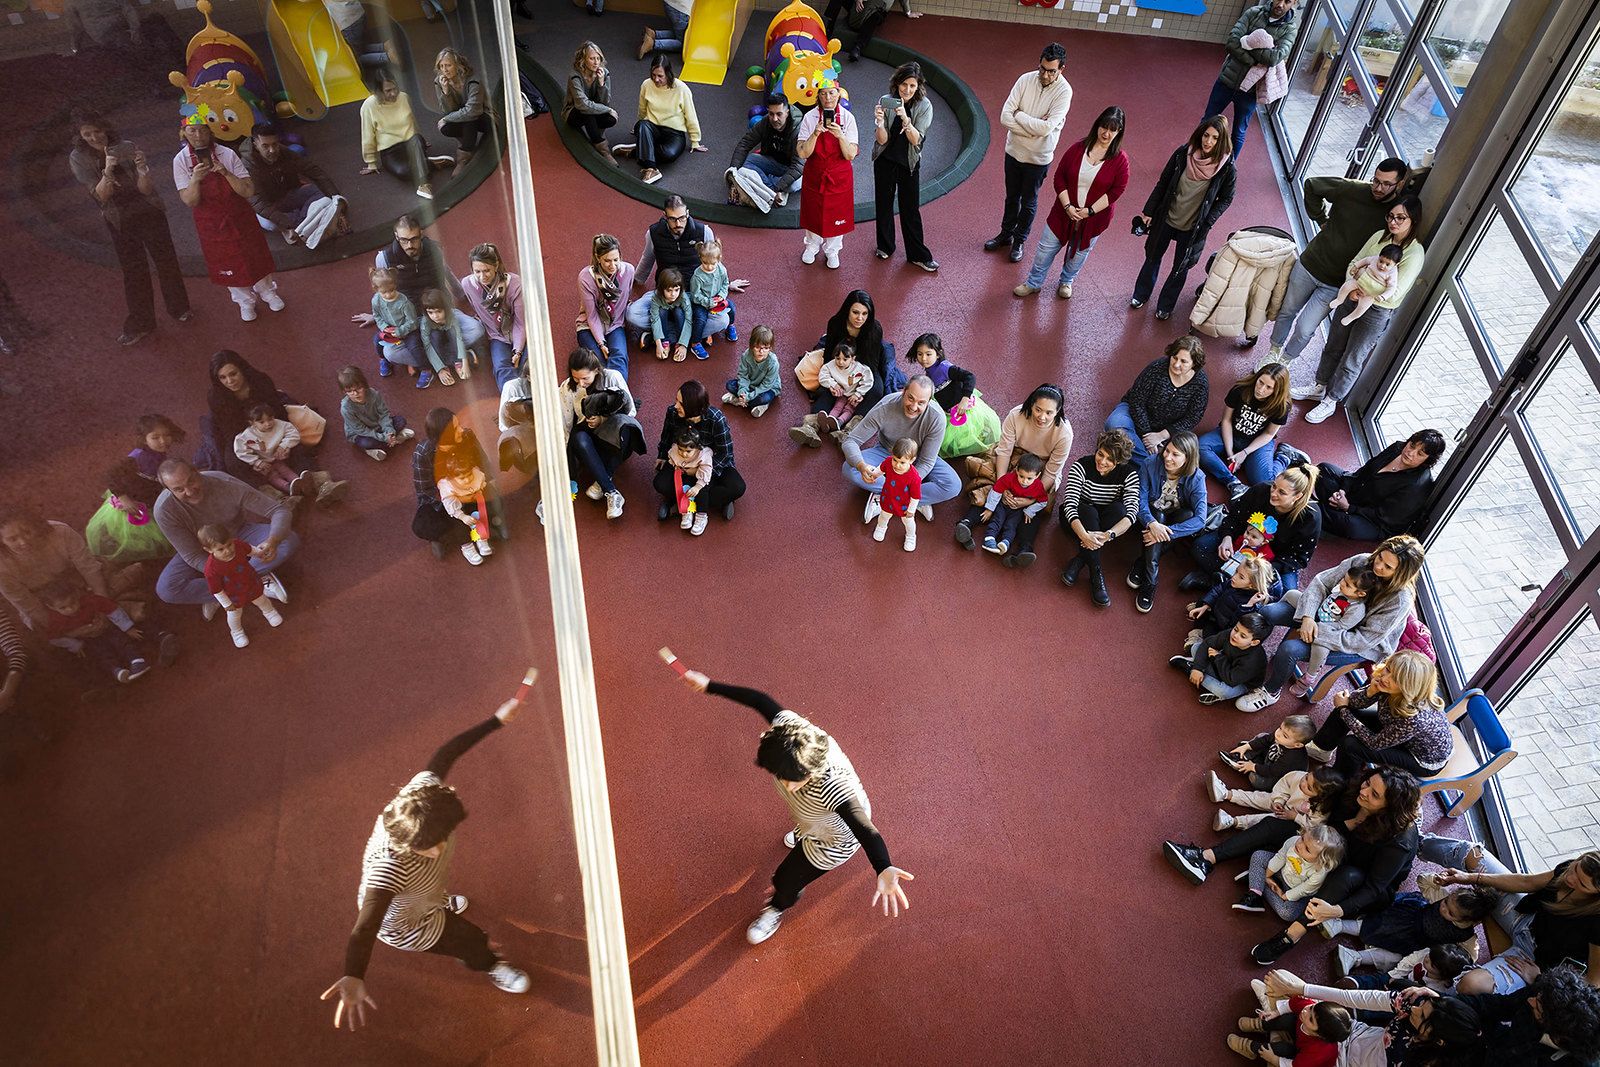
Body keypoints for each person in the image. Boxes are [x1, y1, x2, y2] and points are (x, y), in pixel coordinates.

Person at [320, 697, 533, 1032]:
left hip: (422, 892)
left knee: (434, 888)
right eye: (429, 847)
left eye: (444, 838)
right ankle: (492, 966)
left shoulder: (421, 800)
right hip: (409, 924)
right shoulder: (387, 871)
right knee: (472, 939)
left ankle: (439, 902)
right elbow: (365, 928)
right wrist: (353, 973)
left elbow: (446, 753)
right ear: (407, 844)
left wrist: (497, 720)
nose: (440, 848)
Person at [674, 667, 914, 945]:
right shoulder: (790, 734)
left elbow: (864, 828)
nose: (787, 786)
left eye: (795, 781)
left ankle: (775, 909)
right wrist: (708, 685)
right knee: (803, 820)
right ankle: (803, 831)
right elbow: (761, 700)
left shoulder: (834, 787)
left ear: (811, 770)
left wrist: (883, 866)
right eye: (781, 777)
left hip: (833, 840)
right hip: (812, 819)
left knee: (785, 878)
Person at [1236, 534, 1426, 712]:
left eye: (1388, 567)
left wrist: (1316, 630)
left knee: (1289, 649)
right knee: (1269, 611)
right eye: (1381, 558)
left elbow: (1363, 639)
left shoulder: (1399, 601)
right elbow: (1321, 583)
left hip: (1353, 641)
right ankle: (1245, 654)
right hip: (1325, 612)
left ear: (1401, 574)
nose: (1378, 566)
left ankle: (1271, 692)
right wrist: (1308, 617)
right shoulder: (1362, 561)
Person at [1265, 158, 1410, 368]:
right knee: (1287, 310)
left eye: (1386, 184)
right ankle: (1273, 352)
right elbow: (1312, 185)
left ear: (1400, 183)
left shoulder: (1393, 216)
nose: (1378, 188)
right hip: (1310, 265)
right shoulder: (1351, 189)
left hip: (1337, 282)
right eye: (1375, 181)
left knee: (1305, 328)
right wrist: (1321, 219)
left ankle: (1284, 362)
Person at [1298, 196, 1428, 425]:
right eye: (1391, 216)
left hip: (1376, 311)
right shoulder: (1379, 237)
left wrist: (1363, 288)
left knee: (1353, 357)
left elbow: (1395, 292)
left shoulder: (1415, 253)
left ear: (1413, 220)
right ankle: (1319, 385)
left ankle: (1332, 399)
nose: (1393, 222)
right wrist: (1353, 287)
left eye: (1400, 218)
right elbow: (1355, 263)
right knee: (1334, 344)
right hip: (1351, 296)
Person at [69, 109, 190, 346]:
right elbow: (102, 196)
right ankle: (142, 322)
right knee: (134, 270)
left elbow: (146, 189)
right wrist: (108, 170)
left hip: (148, 210)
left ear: (106, 129)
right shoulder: (78, 158)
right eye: (87, 134)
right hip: (119, 218)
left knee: (166, 260)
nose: (94, 138)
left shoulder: (126, 146)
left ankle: (179, 307)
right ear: (80, 136)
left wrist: (143, 170)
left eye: (97, 131)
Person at [1431, 845, 1600, 995]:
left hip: (1531, 957)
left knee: (1469, 984)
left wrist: (1540, 979)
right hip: (1524, 918)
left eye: (1582, 884)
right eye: (1575, 869)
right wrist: (1470, 877)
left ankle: (1431, 1003)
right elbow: (1528, 882)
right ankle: (1412, 833)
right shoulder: (1569, 868)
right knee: (1469, 853)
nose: (1570, 878)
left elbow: (1592, 985)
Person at [174, 116, 281, 322]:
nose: (198, 136)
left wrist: (225, 173)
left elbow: (248, 191)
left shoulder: (227, 153)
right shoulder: (180, 161)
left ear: (210, 131)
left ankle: (268, 292)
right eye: (192, 130)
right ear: (184, 133)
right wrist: (195, 179)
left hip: (239, 216)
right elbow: (190, 201)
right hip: (211, 223)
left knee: (255, 255)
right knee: (228, 262)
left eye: (202, 130)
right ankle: (245, 301)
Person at [1016, 106, 1128, 300]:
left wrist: (1089, 212)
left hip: (1093, 219)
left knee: (1078, 253)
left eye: (1113, 129)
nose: (1106, 133)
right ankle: (1034, 283)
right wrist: (1068, 207)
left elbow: (1116, 191)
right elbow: (1059, 178)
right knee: (1045, 248)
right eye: (1104, 126)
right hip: (1063, 212)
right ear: (1097, 125)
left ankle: (1067, 281)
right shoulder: (1078, 149)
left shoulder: (1120, 160)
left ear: (1119, 132)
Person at [955, 384, 1073, 568]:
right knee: (990, 481)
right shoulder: (1015, 415)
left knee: (1035, 508)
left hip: (1040, 470)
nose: (1042, 417)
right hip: (1013, 458)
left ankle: (1025, 549)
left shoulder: (1064, 434)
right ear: (1031, 405)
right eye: (1038, 409)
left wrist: (1029, 499)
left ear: (1058, 412)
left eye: (1049, 413)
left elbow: (1051, 471)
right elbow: (1004, 451)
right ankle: (966, 523)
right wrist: (1003, 483)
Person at [152, 462, 295, 612]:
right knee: (167, 589)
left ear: (197, 471)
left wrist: (273, 540)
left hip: (238, 534)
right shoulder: (164, 510)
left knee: (287, 540)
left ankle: (223, 592)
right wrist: (221, 572)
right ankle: (250, 582)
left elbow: (278, 511)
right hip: (203, 549)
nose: (189, 491)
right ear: (168, 490)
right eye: (179, 489)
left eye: (191, 481)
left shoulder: (224, 482)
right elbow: (193, 555)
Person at [1131, 116, 1236, 321]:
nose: (1209, 142)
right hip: (1167, 218)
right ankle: (1140, 294)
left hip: (1193, 227)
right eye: (1206, 135)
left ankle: (1165, 306)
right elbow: (1163, 183)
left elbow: (1227, 198)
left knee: (1180, 267)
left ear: (1222, 140)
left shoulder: (1226, 167)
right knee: (1152, 256)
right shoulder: (1182, 154)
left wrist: (1207, 221)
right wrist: (1149, 211)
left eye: (1215, 138)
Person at [985, 43, 1072, 264]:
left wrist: (1020, 116)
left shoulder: (1064, 92)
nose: (1044, 74)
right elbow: (1005, 116)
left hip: (1038, 160)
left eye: (1051, 71)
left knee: (1029, 200)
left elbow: (1045, 129)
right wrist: (1032, 129)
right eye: (1042, 68)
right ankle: (1006, 234)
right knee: (1012, 197)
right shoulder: (1025, 80)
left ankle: (1019, 240)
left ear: (1061, 69)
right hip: (1013, 152)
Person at [1181, 463, 1321, 600]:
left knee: (1284, 593)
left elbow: (1299, 558)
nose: (1273, 493)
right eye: (1274, 486)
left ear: (1298, 497)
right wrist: (1227, 537)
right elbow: (1234, 517)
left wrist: (1261, 569)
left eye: (1282, 492)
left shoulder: (1310, 518)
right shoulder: (1261, 490)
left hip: (1274, 561)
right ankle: (1232, 586)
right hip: (1241, 544)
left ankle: (1218, 582)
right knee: (1200, 547)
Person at [1306, 651, 1451, 777]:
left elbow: (1374, 743)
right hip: (1396, 729)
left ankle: (1338, 781)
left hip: (1420, 758)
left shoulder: (1414, 718)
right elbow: (1354, 703)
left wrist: (1342, 710)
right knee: (1347, 709)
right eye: (1388, 669)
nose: (1385, 678)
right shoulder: (1387, 684)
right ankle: (1321, 749)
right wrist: (1371, 691)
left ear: (1409, 687)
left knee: (1350, 744)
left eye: (1396, 678)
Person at [841, 377, 959, 523]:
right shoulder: (885, 406)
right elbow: (851, 441)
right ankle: (915, 500)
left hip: (918, 458)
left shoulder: (936, 417)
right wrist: (861, 465)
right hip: (888, 453)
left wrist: (908, 482)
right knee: (850, 468)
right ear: (903, 391)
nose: (914, 406)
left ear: (929, 402)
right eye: (911, 398)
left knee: (952, 485)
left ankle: (888, 498)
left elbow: (927, 461)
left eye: (921, 403)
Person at [790, 291, 893, 441]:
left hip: (863, 367)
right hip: (839, 364)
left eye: (865, 314)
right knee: (826, 388)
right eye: (855, 312)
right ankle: (811, 426)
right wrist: (833, 383)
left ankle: (848, 431)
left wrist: (858, 391)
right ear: (847, 311)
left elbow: (872, 364)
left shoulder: (874, 329)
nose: (860, 318)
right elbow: (829, 355)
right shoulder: (836, 323)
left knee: (877, 390)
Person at [1204, 0, 1299, 159]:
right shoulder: (1254, 12)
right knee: (1207, 120)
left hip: (1250, 91)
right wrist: (1254, 61)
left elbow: (1274, 58)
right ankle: (1194, 155)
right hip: (1227, 80)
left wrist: (1247, 44)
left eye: (1287, 1)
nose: (1280, 4)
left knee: (1239, 131)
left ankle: (1229, 168)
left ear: (1294, 3)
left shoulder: (1289, 30)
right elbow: (1233, 41)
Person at [1057, 429, 1140, 607]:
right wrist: (1084, 536)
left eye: (1110, 460)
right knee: (1088, 512)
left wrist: (1108, 535)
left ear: (1118, 462)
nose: (1102, 461)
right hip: (1078, 519)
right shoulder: (1081, 466)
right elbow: (1070, 505)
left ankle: (1080, 559)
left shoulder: (1129, 474)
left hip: (1105, 524)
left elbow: (1132, 513)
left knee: (1120, 510)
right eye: (1100, 454)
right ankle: (1096, 573)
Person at [0, 512, 117, 636]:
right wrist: (69, 631)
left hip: (78, 585)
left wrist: (104, 606)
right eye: (12, 539)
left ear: (35, 526)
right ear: (2, 542)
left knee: (108, 580)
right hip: (45, 604)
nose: (23, 542)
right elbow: (28, 605)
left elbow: (89, 569)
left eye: (27, 532)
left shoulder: (61, 532)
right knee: (40, 630)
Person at [1316, 429, 1446, 541]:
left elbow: (1385, 517)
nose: (1410, 453)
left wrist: (1349, 508)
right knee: (1324, 469)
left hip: (1375, 520)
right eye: (1412, 445)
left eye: (1420, 454)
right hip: (1358, 493)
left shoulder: (1417, 485)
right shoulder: (1397, 448)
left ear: (1427, 460)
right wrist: (1343, 490)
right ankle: (1328, 510)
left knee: (1348, 526)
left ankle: (1318, 510)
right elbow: (1364, 470)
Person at [625, 196, 725, 338]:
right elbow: (647, 258)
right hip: (664, 292)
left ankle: (659, 335)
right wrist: (635, 280)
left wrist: (726, 282)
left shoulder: (703, 231)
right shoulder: (653, 233)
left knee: (722, 320)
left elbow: (714, 260)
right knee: (632, 315)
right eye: (672, 219)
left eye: (682, 218)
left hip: (695, 293)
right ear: (664, 216)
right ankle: (690, 333)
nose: (678, 223)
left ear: (688, 214)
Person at [559, 350, 641, 521]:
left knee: (627, 428)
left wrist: (603, 419)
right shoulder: (567, 387)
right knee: (577, 438)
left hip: (615, 435)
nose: (580, 384)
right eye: (576, 378)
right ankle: (611, 491)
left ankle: (602, 478)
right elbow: (566, 424)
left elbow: (631, 410)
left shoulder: (613, 377)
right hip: (591, 440)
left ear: (596, 370)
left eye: (585, 378)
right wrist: (566, 462)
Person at [1130, 431, 1206, 613]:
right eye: (1167, 450)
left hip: (1175, 520)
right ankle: (1151, 581)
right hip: (1153, 515)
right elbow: (1139, 499)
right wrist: (1152, 524)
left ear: (1188, 459)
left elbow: (1200, 519)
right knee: (1158, 516)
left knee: (1188, 515)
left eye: (1175, 454)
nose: (1167, 457)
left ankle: (1143, 562)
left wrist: (1164, 532)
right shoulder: (1150, 463)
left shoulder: (1197, 478)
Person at [872, 61, 937, 272]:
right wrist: (880, 123)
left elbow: (917, 140)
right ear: (897, 83)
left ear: (918, 86)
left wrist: (905, 120)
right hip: (885, 160)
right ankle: (885, 246)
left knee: (910, 208)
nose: (907, 89)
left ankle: (918, 255)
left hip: (908, 163)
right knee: (884, 204)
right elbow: (881, 141)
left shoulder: (924, 106)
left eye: (912, 85)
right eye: (904, 84)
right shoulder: (886, 101)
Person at [1104, 335, 1210, 462]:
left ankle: (1135, 452)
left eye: (1183, 361)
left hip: (1167, 431)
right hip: (1135, 415)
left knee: (1183, 451)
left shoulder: (1201, 383)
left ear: (1194, 364)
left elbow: (1193, 417)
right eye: (1174, 358)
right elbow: (1137, 401)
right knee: (1114, 424)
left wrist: (1161, 435)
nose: (1176, 364)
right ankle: (1150, 462)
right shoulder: (1157, 368)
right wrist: (1147, 435)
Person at [653, 380, 746, 523]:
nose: (676, 406)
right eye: (676, 400)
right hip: (682, 461)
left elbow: (725, 453)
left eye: (681, 403)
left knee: (737, 487)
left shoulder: (716, 419)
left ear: (693, 407)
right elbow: (666, 436)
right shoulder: (672, 413)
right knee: (660, 483)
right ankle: (713, 502)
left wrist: (699, 471)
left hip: (710, 466)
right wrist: (661, 455)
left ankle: (679, 502)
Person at [36, 578, 162, 683]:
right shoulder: (55, 620)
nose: (70, 609)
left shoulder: (90, 600)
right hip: (90, 640)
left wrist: (127, 627)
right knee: (100, 654)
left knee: (122, 642)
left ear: (76, 595)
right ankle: (117, 671)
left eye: (73, 603)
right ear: (51, 607)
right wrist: (74, 644)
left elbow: (112, 609)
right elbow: (53, 638)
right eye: (63, 608)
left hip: (107, 629)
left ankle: (138, 661)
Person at [1196, 363, 1293, 499]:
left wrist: (1245, 452)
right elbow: (1226, 421)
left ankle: (1283, 457)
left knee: (1266, 483)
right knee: (1200, 447)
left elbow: (1269, 434)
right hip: (1232, 433)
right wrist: (1231, 454)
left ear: (1277, 391)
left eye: (1269, 387)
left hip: (1258, 443)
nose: (1261, 389)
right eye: (1260, 382)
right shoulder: (1240, 389)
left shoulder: (1281, 406)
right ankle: (1233, 482)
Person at [246, 123, 347, 249]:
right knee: (269, 224)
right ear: (255, 143)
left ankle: (303, 227)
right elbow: (258, 203)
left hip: (288, 196)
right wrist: (286, 224)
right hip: (268, 206)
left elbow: (313, 170)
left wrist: (336, 198)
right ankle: (316, 222)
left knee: (321, 194)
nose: (272, 150)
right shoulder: (248, 165)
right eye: (265, 146)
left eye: (275, 144)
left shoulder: (282, 151)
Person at [796, 75, 859, 269]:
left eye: (831, 92)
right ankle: (812, 246)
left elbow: (850, 155)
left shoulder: (848, 118)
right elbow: (802, 152)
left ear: (838, 94)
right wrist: (815, 133)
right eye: (823, 94)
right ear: (818, 96)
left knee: (836, 214)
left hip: (839, 176)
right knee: (813, 212)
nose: (828, 97)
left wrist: (840, 135)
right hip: (815, 173)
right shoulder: (810, 117)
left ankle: (833, 250)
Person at [1288, 565, 1378, 694]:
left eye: (1347, 585)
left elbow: (1341, 626)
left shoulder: (1357, 609)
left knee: (1320, 648)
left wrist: (1318, 627)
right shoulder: (1341, 589)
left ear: (1361, 593)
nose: (1342, 583)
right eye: (1343, 579)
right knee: (1291, 594)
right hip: (1316, 615)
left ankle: (1308, 678)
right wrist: (1310, 616)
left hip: (1327, 630)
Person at [359, 71, 449, 200]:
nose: (393, 93)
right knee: (402, 172)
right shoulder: (368, 106)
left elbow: (411, 120)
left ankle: (424, 184)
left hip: (411, 140)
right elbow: (367, 135)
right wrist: (371, 163)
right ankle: (430, 163)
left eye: (395, 88)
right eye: (388, 90)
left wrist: (422, 139)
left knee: (416, 141)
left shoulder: (404, 97)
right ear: (378, 91)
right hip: (390, 149)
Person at [616, 55, 704, 186]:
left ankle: (638, 151)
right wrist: (638, 130)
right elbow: (642, 108)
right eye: (653, 75)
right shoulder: (646, 84)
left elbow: (690, 114)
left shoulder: (681, 89)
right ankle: (651, 169)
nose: (656, 79)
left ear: (668, 74)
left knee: (669, 155)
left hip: (674, 133)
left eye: (660, 76)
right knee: (643, 125)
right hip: (652, 127)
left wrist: (695, 141)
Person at [198, 523, 285, 647]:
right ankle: (237, 632)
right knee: (235, 615)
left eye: (229, 544)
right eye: (221, 549)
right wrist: (226, 604)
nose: (227, 551)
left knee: (262, 599)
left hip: (251, 582)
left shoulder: (238, 545)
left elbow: (250, 549)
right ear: (208, 550)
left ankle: (269, 612)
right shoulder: (211, 569)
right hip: (233, 595)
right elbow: (216, 590)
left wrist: (260, 553)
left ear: (232, 539)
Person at [1238, 823, 1345, 921]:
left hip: (1294, 888)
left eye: (1307, 849)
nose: (1299, 845)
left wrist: (1283, 895)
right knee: (1258, 855)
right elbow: (1280, 857)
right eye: (1302, 838)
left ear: (1321, 860)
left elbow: (1304, 889)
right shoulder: (1293, 841)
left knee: (1288, 914)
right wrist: (1267, 876)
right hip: (1281, 871)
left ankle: (1257, 880)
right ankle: (1255, 893)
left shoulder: (1319, 871)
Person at [461, 243, 527, 391]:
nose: (482, 276)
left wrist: (517, 351)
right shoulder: (467, 284)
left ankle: (532, 399)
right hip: (497, 336)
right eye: (477, 271)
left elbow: (520, 323)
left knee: (527, 366)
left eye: (486, 271)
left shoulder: (514, 284)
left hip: (520, 331)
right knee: (501, 368)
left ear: (496, 266)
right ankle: (513, 404)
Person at [1228, 988, 1351, 1064]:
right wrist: (1275, 1012)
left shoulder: (1318, 1053)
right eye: (1311, 1008)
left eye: (1311, 1019)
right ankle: (1259, 1025)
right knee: (1287, 1018)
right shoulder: (1310, 1009)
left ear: (1320, 1034)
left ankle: (1250, 1048)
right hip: (1300, 1037)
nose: (1305, 1011)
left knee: (1282, 1049)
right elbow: (1293, 1003)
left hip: (1301, 1057)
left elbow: (1295, 1065)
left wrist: (1273, 1059)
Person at [726, 93, 803, 212]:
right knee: (747, 161)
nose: (774, 118)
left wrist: (780, 186)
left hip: (792, 168)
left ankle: (761, 187)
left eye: (779, 114)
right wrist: (733, 173)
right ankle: (772, 191)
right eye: (771, 114)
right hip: (773, 162)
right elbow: (745, 144)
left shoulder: (799, 130)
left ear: (787, 112)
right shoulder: (766, 122)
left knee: (795, 184)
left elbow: (798, 166)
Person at [1174, 612, 1270, 705]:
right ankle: (1197, 668)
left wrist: (1217, 657)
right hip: (1224, 663)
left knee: (1222, 691)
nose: (1235, 635)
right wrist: (1198, 668)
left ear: (1254, 642)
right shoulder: (1230, 634)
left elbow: (1231, 680)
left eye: (1243, 636)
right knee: (1196, 647)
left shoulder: (1253, 661)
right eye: (1236, 629)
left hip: (1239, 682)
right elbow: (1207, 643)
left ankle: (1190, 668)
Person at [577, 234, 635, 379]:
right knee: (597, 362)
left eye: (616, 260)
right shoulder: (586, 277)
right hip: (589, 326)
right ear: (597, 258)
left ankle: (619, 395)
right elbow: (592, 316)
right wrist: (601, 344)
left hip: (615, 324)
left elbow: (626, 296)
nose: (613, 266)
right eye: (607, 261)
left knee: (619, 357)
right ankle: (603, 399)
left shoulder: (628, 271)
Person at [1186, 554, 1274, 645]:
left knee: (1210, 635)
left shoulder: (1253, 604)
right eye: (1236, 572)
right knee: (1202, 602)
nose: (1234, 577)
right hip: (1216, 611)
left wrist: (1248, 605)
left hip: (1221, 625)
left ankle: (1197, 635)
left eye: (1241, 577)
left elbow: (1238, 623)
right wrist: (1206, 604)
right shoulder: (1234, 583)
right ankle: (1202, 609)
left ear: (1252, 585)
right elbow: (1218, 589)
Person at [1214, 716, 1316, 793]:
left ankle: (1246, 763)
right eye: (1280, 728)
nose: (1278, 733)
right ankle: (1244, 756)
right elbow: (1265, 739)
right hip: (1271, 760)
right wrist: (1247, 746)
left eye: (1285, 735)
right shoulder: (1280, 737)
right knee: (1263, 736)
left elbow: (1272, 771)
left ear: (1297, 745)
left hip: (1276, 775)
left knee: (1257, 781)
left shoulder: (1292, 758)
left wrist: (1253, 767)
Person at [975, 453, 1048, 559]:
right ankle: (989, 540)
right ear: (1017, 470)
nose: (1024, 481)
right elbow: (996, 490)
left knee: (1011, 525)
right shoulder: (1009, 478)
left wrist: (1030, 511)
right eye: (1021, 476)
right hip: (1003, 505)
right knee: (997, 520)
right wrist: (990, 509)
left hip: (1017, 510)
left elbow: (1043, 501)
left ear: (1037, 476)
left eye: (1029, 478)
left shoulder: (1038, 487)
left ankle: (1006, 542)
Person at [433, 48, 490, 176]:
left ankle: (463, 159)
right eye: (441, 66)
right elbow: (447, 111)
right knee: (446, 128)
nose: (444, 70)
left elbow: (473, 111)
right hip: (465, 116)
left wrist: (447, 118)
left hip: (484, 117)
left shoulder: (472, 80)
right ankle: (468, 142)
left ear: (458, 65)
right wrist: (446, 92)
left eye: (448, 65)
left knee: (468, 119)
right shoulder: (440, 81)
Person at [339, 365, 414, 461]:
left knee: (401, 420)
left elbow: (384, 414)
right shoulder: (346, 408)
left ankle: (390, 439)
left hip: (378, 426)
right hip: (362, 434)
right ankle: (387, 443)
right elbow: (361, 430)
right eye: (349, 391)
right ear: (344, 391)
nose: (355, 393)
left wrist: (389, 431)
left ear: (364, 384)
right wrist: (383, 437)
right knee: (366, 443)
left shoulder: (374, 394)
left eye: (358, 388)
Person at [435, 449, 497, 566]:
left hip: (471, 501)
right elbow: (450, 505)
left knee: (479, 514)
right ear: (452, 478)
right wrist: (462, 516)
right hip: (456, 509)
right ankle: (467, 546)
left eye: (469, 475)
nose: (468, 480)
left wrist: (478, 492)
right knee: (459, 524)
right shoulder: (448, 486)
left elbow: (481, 485)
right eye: (462, 478)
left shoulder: (476, 474)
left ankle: (479, 537)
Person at [370, 267, 429, 385]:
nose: (388, 295)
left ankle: (426, 369)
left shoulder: (404, 302)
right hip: (389, 330)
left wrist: (400, 331)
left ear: (395, 285)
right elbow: (377, 316)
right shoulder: (376, 300)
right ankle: (384, 360)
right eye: (384, 292)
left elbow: (413, 322)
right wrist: (384, 327)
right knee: (376, 340)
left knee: (414, 346)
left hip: (408, 330)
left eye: (391, 290)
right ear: (376, 290)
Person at [233, 403, 308, 496]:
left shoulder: (280, 424)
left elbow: (293, 433)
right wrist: (256, 462)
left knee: (284, 470)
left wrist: (283, 446)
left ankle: (300, 483)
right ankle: (288, 488)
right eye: (261, 422)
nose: (268, 424)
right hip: (264, 463)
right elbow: (240, 451)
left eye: (270, 419)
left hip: (278, 459)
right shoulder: (246, 435)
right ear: (252, 423)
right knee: (272, 476)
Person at [565, 41, 619, 166]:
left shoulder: (604, 73)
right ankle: (604, 150)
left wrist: (601, 84)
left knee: (611, 119)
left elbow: (605, 102)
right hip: (574, 112)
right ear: (583, 59)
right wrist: (607, 110)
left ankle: (595, 133)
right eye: (592, 58)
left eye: (598, 58)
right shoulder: (575, 76)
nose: (596, 62)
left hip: (593, 109)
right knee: (587, 112)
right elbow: (582, 104)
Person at [823, 0, 921, 62]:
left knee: (876, 17)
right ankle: (826, 29)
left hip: (877, 10)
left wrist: (908, 12)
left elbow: (904, 1)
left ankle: (858, 47)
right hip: (861, 5)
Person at [1331, 243, 1404, 326]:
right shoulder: (1374, 259)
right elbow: (1365, 261)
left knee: (1362, 307)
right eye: (1381, 261)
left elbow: (1392, 288)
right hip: (1359, 282)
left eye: (1387, 264)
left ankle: (1351, 317)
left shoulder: (1393, 273)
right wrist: (1355, 267)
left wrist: (1383, 296)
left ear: (1395, 264)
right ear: (1379, 256)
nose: (1382, 266)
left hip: (1369, 294)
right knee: (1346, 286)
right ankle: (1339, 299)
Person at [870, 438, 922, 550]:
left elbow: (915, 496)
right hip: (888, 498)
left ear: (912, 460)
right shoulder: (889, 462)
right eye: (895, 460)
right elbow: (881, 468)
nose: (897, 465)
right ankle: (881, 527)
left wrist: (911, 510)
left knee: (908, 522)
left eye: (902, 462)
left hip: (904, 505)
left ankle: (911, 536)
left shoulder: (914, 478)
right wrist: (874, 475)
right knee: (884, 515)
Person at [661, 425, 712, 536]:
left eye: (688, 451)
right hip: (685, 474)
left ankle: (701, 516)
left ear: (697, 448)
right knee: (684, 488)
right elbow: (673, 461)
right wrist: (677, 468)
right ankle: (687, 511)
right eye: (681, 450)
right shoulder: (674, 450)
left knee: (703, 492)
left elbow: (706, 471)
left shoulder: (703, 454)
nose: (684, 454)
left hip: (701, 479)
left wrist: (698, 486)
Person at [813, 341, 874, 435]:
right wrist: (833, 385)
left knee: (849, 409)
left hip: (853, 396)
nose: (840, 362)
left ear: (853, 359)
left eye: (845, 359)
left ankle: (839, 422)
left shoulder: (860, 368)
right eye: (837, 358)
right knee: (838, 406)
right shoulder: (831, 365)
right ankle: (828, 421)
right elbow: (823, 376)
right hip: (842, 394)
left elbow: (868, 381)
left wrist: (858, 393)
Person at [687, 240, 734, 358]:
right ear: (700, 258)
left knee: (732, 307)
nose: (709, 267)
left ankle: (730, 326)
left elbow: (725, 283)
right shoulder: (697, 276)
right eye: (705, 263)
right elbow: (695, 295)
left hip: (717, 298)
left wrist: (722, 295)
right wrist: (708, 302)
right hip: (702, 302)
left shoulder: (721, 269)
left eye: (712, 263)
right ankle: (695, 342)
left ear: (719, 259)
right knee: (700, 318)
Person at [723, 325, 781, 418]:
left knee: (765, 398)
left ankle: (743, 401)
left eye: (766, 348)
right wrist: (742, 391)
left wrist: (748, 396)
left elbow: (767, 385)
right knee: (729, 385)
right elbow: (743, 375)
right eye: (758, 347)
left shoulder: (773, 363)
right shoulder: (746, 356)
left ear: (770, 348)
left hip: (766, 389)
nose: (761, 351)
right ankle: (748, 402)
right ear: (751, 345)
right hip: (750, 385)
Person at [419, 289, 474, 385]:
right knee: (435, 336)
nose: (435, 316)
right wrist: (439, 369)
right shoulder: (425, 322)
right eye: (430, 312)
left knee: (453, 332)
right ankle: (443, 366)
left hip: (449, 336)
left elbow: (458, 338)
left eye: (438, 311)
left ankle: (458, 361)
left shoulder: (451, 316)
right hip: (437, 340)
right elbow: (427, 346)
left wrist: (465, 363)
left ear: (446, 308)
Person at [648, 267, 692, 363]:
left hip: (677, 315)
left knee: (679, 312)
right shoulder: (656, 297)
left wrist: (684, 344)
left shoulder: (683, 297)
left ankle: (680, 342)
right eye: (669, 290)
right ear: (662, 289)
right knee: (661, 311)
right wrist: (658, 345)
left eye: (676, 290)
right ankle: (665, 341)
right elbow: (655, 319)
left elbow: (689, 319)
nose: (673, 294)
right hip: (664, 315)